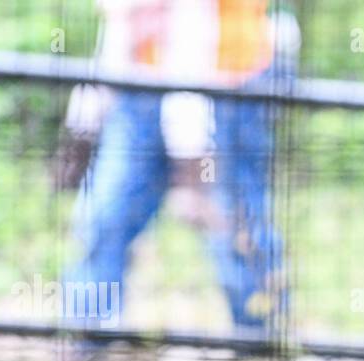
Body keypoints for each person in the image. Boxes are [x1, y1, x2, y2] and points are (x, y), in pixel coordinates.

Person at [63, 0, 295, 338]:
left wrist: (193, 164)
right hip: (139, 78)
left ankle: (262, 344)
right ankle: (87, 338)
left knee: (237, 222)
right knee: (106, 215)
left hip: (229, 80)